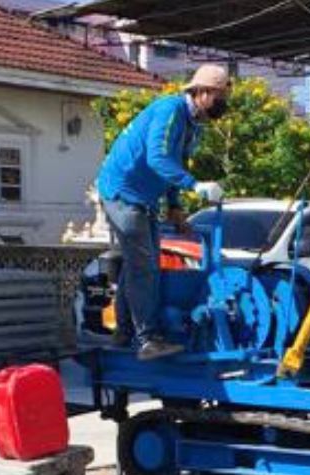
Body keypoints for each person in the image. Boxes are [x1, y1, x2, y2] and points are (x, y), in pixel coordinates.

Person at [96, 63, 230, 361]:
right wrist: (195, 185)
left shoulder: (193, 126)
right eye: (219, 97)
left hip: (143, 198)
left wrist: (175, 206)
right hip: (122, 193)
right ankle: (148, 340)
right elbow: (157, 158)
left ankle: (124, 334)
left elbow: (173, 165)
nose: (222, 104)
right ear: (202, 92)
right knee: (144, 266)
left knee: (138, 265)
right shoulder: (171, 110)